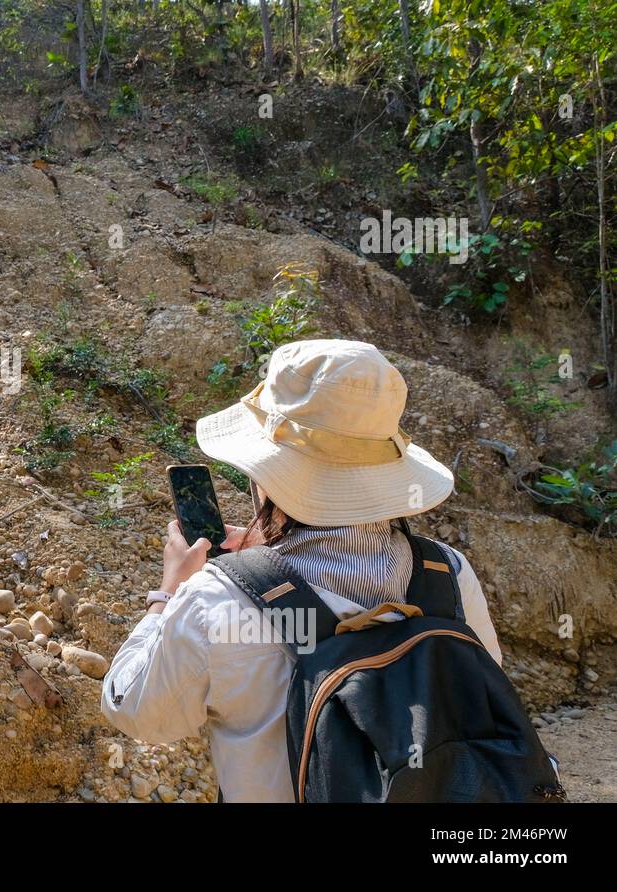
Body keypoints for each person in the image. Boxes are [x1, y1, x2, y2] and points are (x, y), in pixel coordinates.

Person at [100, 339, 503, 802]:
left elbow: (137, 712)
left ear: (266, 475)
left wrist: (169, 592)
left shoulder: (216, 599)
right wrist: (264, 559)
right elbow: (483, 694)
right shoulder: (446, 572)